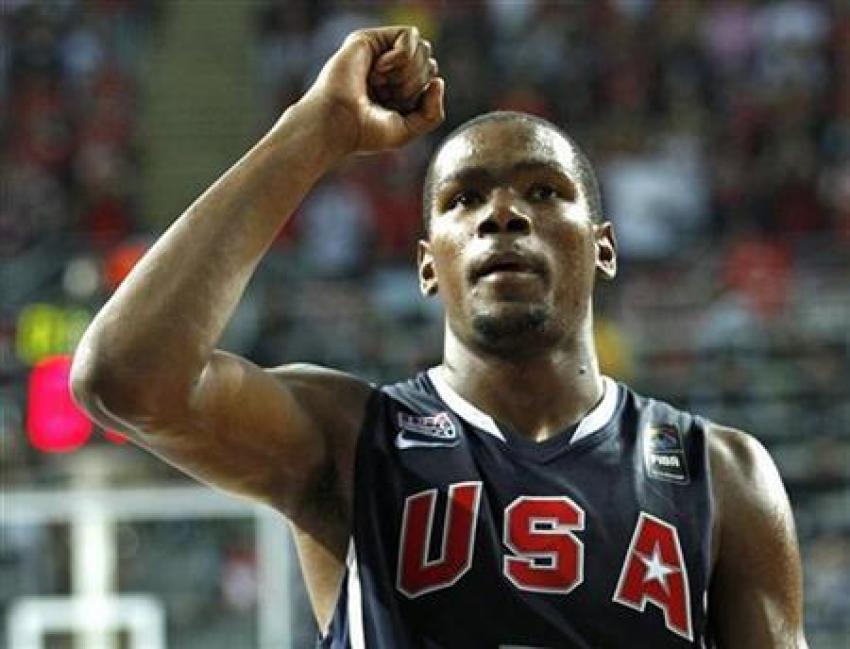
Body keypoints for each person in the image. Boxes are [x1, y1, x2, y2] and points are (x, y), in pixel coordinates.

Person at [71, 26, 808, 648]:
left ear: (604, 247)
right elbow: (123, 376)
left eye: (544, 191)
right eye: (464, 199)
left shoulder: (723, 473)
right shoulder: (350, 438)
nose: (502, 214)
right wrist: (317, 127)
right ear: (428, 264)